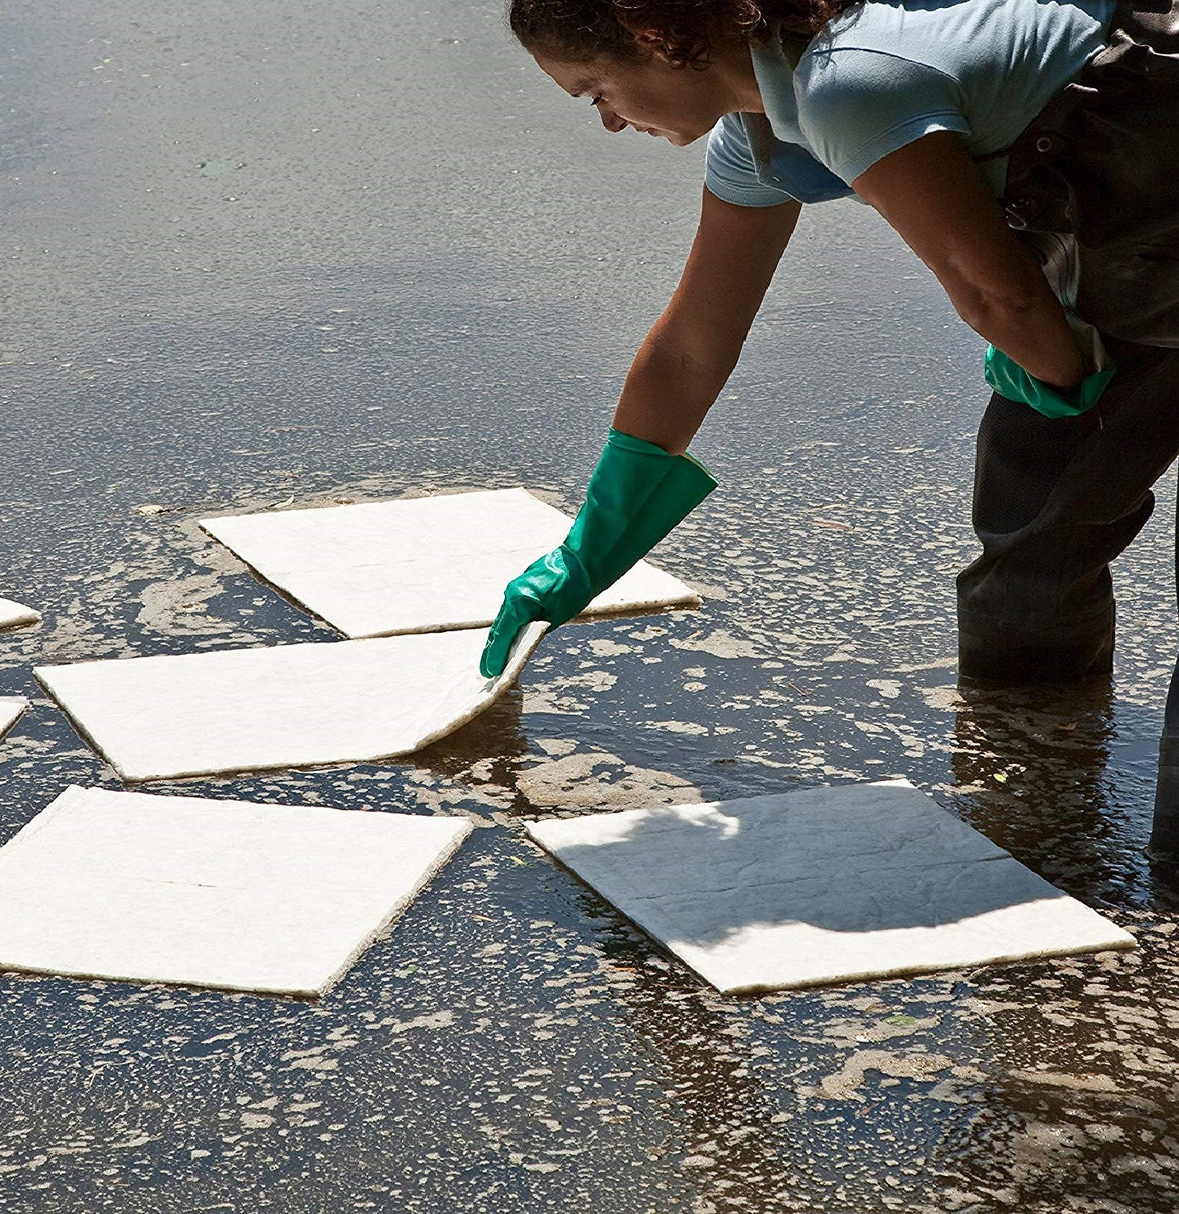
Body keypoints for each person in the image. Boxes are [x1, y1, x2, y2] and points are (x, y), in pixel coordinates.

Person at [478, 0, 1179, 885]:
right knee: (1030, 527)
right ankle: (1036, 782)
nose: (611, 120)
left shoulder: (851, 83)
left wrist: (1062, 371)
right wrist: (589, 549)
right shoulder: (760, 140)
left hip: (1144, 184)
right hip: (1132, 251)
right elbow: (693, 345)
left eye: (596, 91)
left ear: (657, 39)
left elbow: (997, 296)